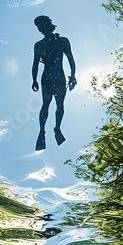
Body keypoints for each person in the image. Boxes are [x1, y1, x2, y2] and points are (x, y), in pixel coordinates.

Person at [31, 16, 76, 151]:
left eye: (44, 25)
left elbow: (71, 59)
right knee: (46, 104)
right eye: (40, 27)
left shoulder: (62, 41)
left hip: (59, 77)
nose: (42, 29)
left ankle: (57, 128)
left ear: (49, 25)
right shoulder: (39, 45)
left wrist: (73, 76)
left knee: (59, 105)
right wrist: (34, 79)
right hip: (47, 78)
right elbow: (35, 64)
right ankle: (42, 131)